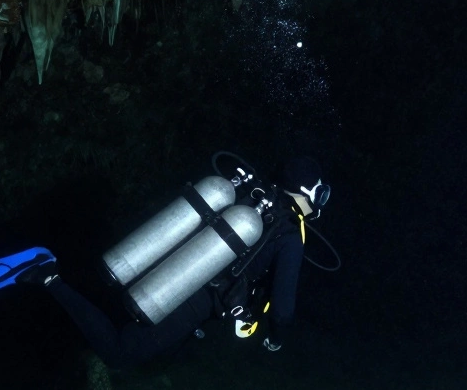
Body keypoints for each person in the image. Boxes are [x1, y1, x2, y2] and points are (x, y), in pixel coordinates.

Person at [17, 157, 331, 368]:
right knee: (120, 353)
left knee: (113, 304)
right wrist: (275, 340)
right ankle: (49, 279)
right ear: (306, 191)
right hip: (196, 292)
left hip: (159, 256)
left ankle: (51, 276)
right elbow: (283, 309)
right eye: (321, 192)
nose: (322, 201)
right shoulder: (289, 234)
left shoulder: (250, 192)